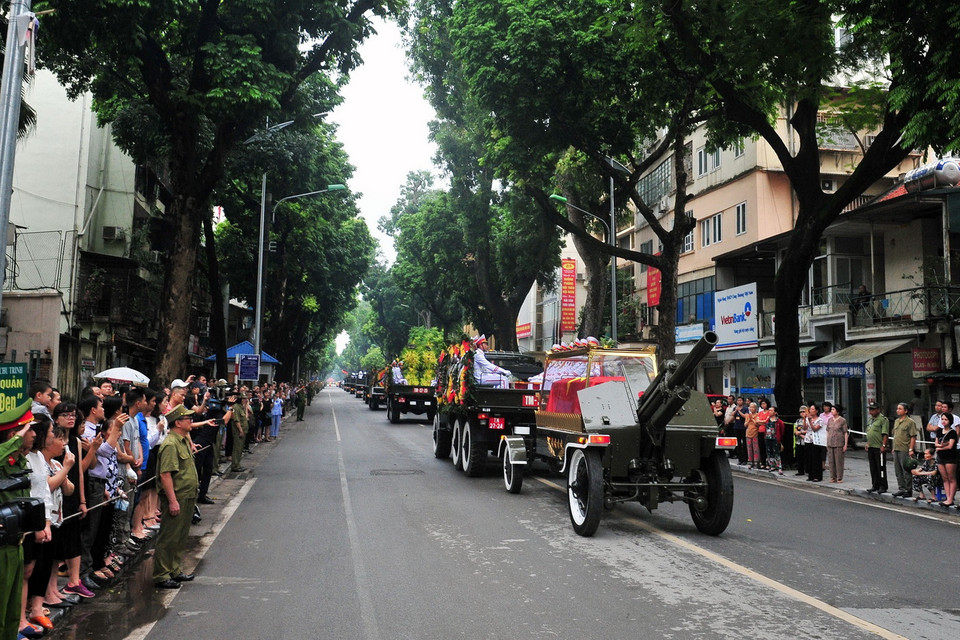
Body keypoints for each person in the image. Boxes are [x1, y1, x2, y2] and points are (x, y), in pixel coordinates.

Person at [153, 405, 199, 589]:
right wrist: (172, 500)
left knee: (180, 536)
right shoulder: (171, 444)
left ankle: (174, 569)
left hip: (187, 495)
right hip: (177, 496)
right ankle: (161, 574)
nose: (191, 422)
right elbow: (165, 475)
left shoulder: (181, 441)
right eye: (188, 419)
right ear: (178, 422)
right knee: (169, 536)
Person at [0, 412, 36, 640]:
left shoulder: (17, 462)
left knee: (12, 613)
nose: (33, 435)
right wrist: (16, 440)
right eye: (28, 430)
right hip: (1, 548)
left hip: (17, 543)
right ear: (14, 434)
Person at [891, 402, 919, 497]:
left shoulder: (910, 422)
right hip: (896, 448)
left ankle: (908, 489)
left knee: (906, 470)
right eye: (897, 408)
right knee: (897, 470)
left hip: (905, 449)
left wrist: (911, 449)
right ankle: (901, 488)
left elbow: (913, 436)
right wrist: (893, 448)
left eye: (900, 409)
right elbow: (895, 435)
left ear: (906, 411)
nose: (897, 410)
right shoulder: (897, 421)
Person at [864, 401, 890, 494]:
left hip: (879, 447)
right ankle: (875, 485)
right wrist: (867, 443)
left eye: (873, 409)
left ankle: (883, 485)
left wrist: (883, 445)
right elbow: (869, 432)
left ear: (878, 409)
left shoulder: (883, 419)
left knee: (881, 467)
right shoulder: (871, 420)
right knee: (873, 467)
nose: (871, 411)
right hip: (871, 446)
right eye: (870, 409)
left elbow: (885, 434)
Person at [934, 412, 958, 507]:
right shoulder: (939, 431)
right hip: (940, 457)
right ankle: (947, 498)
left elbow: (950, 446)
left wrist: (940, 447)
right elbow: (936, 443)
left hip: (950, 457)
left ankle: (951, 498)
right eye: (942, 419)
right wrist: (942, 445)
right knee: (945, 478)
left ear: (950, 421)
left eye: (946, 419)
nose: (943, 421)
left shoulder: (952, 432)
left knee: (951, 477)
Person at [825, 405, 849, 483]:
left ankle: (839, 477)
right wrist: (827, 441)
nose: (832, 411)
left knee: (839, 461)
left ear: (838, 411)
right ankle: (832, 477)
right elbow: (828, 431)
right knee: (831, 461)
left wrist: (845, 444)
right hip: (830, 442)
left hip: (839, 443)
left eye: (833, 409)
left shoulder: (842, 420)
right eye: (831, 409)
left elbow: (845, 432)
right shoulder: (830, 420)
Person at [805, 403, 827, 482]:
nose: (811, 411)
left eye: (812, 409)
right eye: (810, 409)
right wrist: (805, 419)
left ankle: (817, 476)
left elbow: (814, 429)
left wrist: (810, 421)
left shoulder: (820, 420)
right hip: (808, 439)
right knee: (809, 458)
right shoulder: (808, 419)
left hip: (816, 441)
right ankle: (810, 475)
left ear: (816, 411)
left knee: (816, 459)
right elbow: (805, 428)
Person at [764, 406, 784, 474]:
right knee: (769, 452)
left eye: (771, 410)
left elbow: (782, 431)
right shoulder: (767, 420)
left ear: (775, 412)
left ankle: (779, 466)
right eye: (769, 410)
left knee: (776, 453)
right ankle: (771, 465)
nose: (769, 412)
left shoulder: (779, 421)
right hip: (768, 438)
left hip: (775, 438)